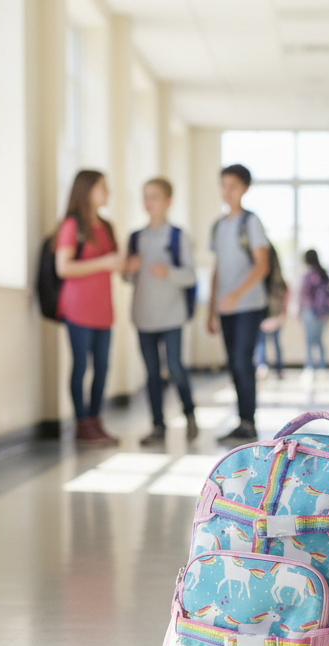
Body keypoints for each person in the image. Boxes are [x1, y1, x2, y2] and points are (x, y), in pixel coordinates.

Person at [56, 169, 129, 447]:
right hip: (77, 308)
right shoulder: (73, 225)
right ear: (86, 190)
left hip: (103, 309)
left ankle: (96, 420)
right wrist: (104, 263)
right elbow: (63, 267)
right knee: (80, 367)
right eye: (102, 187)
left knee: (102, 367)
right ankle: (82, 424)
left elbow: (115, 263)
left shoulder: (106, 226)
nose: (107, 192)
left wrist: (125, 264)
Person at [125, 177, 199, 447]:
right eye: (145, 196)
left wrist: (168, 273)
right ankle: (158, 426)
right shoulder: (135, 238)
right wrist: (128, 270)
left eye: (154, 196)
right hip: (143, 316)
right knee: (151, 373)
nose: (148, 202)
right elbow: (128, 278)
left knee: (176, 367)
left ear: (168, 202)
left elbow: (191, 276)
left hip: (171, 315)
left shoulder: (177, 236)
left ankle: (190, 414)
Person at [208, 164, 272, 444]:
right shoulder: (218, 226)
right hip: (226, 309)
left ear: (245, 188)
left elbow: (262, 266)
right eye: (223, 185)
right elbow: (217, 269)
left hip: (248, 305)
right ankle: (242, 422)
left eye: (233, 185)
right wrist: (212, 308)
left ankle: (249, 423)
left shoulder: (251, 222)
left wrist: (237, 293)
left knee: (242, 362)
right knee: (234, 365)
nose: (227, 191)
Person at [299, 249, 329, 373]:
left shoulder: (308, 275)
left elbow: (303, 295)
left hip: (309, 312)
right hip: (322, 313)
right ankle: (322, 367)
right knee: (319, 341)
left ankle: (309, 367)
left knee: (309, 341)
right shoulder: (323, 273)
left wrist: (299, 312)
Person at [254, 283, 287, 380]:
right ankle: (277, 368)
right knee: (265, 344)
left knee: (262, 344)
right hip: (273, 318)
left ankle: (263, 367)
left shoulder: (263, 284)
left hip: (267, 318)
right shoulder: (279, 284)